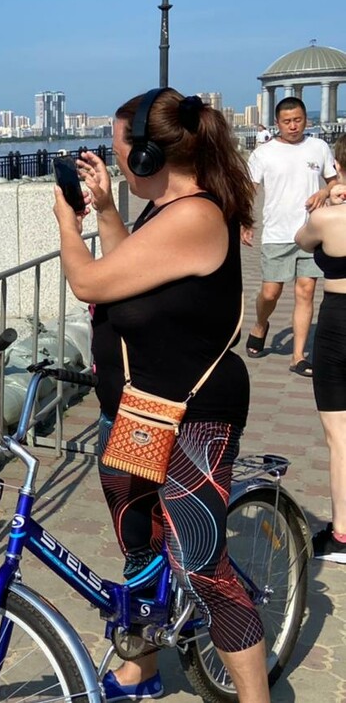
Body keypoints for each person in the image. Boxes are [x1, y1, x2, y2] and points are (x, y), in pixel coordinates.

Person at [54, 88, 270, 702]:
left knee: (204, 570)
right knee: (141, 541)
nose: (118, 164)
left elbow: (90, 280)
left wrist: (66, 223)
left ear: (148, 158)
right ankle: (142, 669)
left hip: (195, 417)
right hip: (144, 408)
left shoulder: (197, 216)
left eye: (122, 153)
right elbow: (133, 276)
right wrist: (103, 210)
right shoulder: (168, 210)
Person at [243, 97, 339, 376]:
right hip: (276, 232)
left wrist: (322, 193)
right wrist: (245, 221)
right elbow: (251, 190)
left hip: (310, 232)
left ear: (306, 119)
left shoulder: (319, 147)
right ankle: (261, 324)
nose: (293, 126)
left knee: (306, 290)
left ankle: (298, 357)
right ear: (277, 123)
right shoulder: (264, 153)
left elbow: (334, 183)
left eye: (298, 120)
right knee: (271, 292)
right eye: (287, 121)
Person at [294, 134, 346, 562]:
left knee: (339, 436)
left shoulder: (331, 219)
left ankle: (342, 535)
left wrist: (329, 194)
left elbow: (301, 239)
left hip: (339, 323)